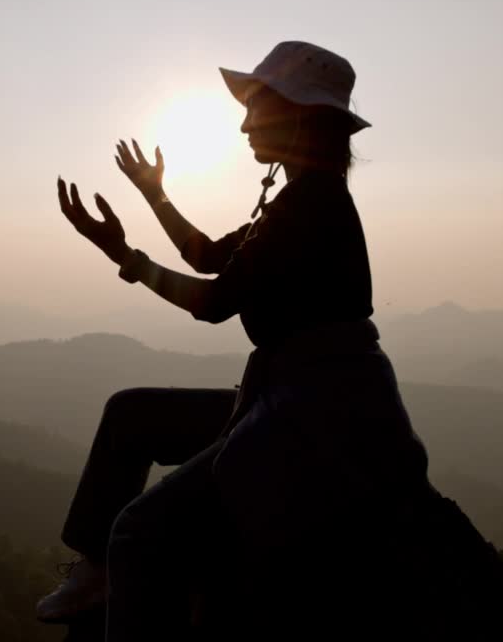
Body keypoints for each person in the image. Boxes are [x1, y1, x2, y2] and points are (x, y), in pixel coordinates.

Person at [43, 41, 440, 640]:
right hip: (291, 395)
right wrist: (154, 194)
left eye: (258, 107)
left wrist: (126, 257)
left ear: (298, 116)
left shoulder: (310, 206)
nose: (244, 122)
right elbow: (207, 257)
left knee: (139, 531)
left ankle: (114, 576)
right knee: (132, 414)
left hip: (315, 411)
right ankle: (96, 569)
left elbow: (212, 303)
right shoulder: (301, 199)